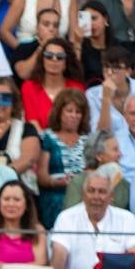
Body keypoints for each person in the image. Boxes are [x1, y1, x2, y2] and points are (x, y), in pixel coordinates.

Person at [50, 171, 135, 269]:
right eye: (91, 191)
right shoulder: (66, 218)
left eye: (102, 192)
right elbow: (58, 260)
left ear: (111, 196)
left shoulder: (127, 219)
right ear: (83, 194)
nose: (96, 197)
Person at [36, 89, 90, 229]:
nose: (74, 116)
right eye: (69, 111)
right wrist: (57, 183)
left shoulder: (88, 140)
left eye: (78, 112)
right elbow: (42, 176)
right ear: (59, 112)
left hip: (83, 195)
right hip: (55, 195)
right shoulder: (46, 137)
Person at [87, 45, 135, 140]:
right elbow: (98, 137)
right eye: (106, 67)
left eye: (116, 68)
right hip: (111, 150)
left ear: (128, 71)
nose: (109, 73)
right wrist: (106, 100)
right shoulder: (92, 94)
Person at [0, 179, 48, 269]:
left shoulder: (37, 230)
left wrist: (3, 267)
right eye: (6, 199)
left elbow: (40, 264)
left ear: (26, 204)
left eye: (17, 199)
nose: (11, 204)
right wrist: (26, 267)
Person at [22, 38, 84, 128]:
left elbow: (80, 124)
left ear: (66, 62)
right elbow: (33, 123)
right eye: (49, 55)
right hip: (39, 139)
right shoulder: (29, 87)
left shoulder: (77, 88)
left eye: (60, 57)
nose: (54, 59)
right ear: (42, 60)